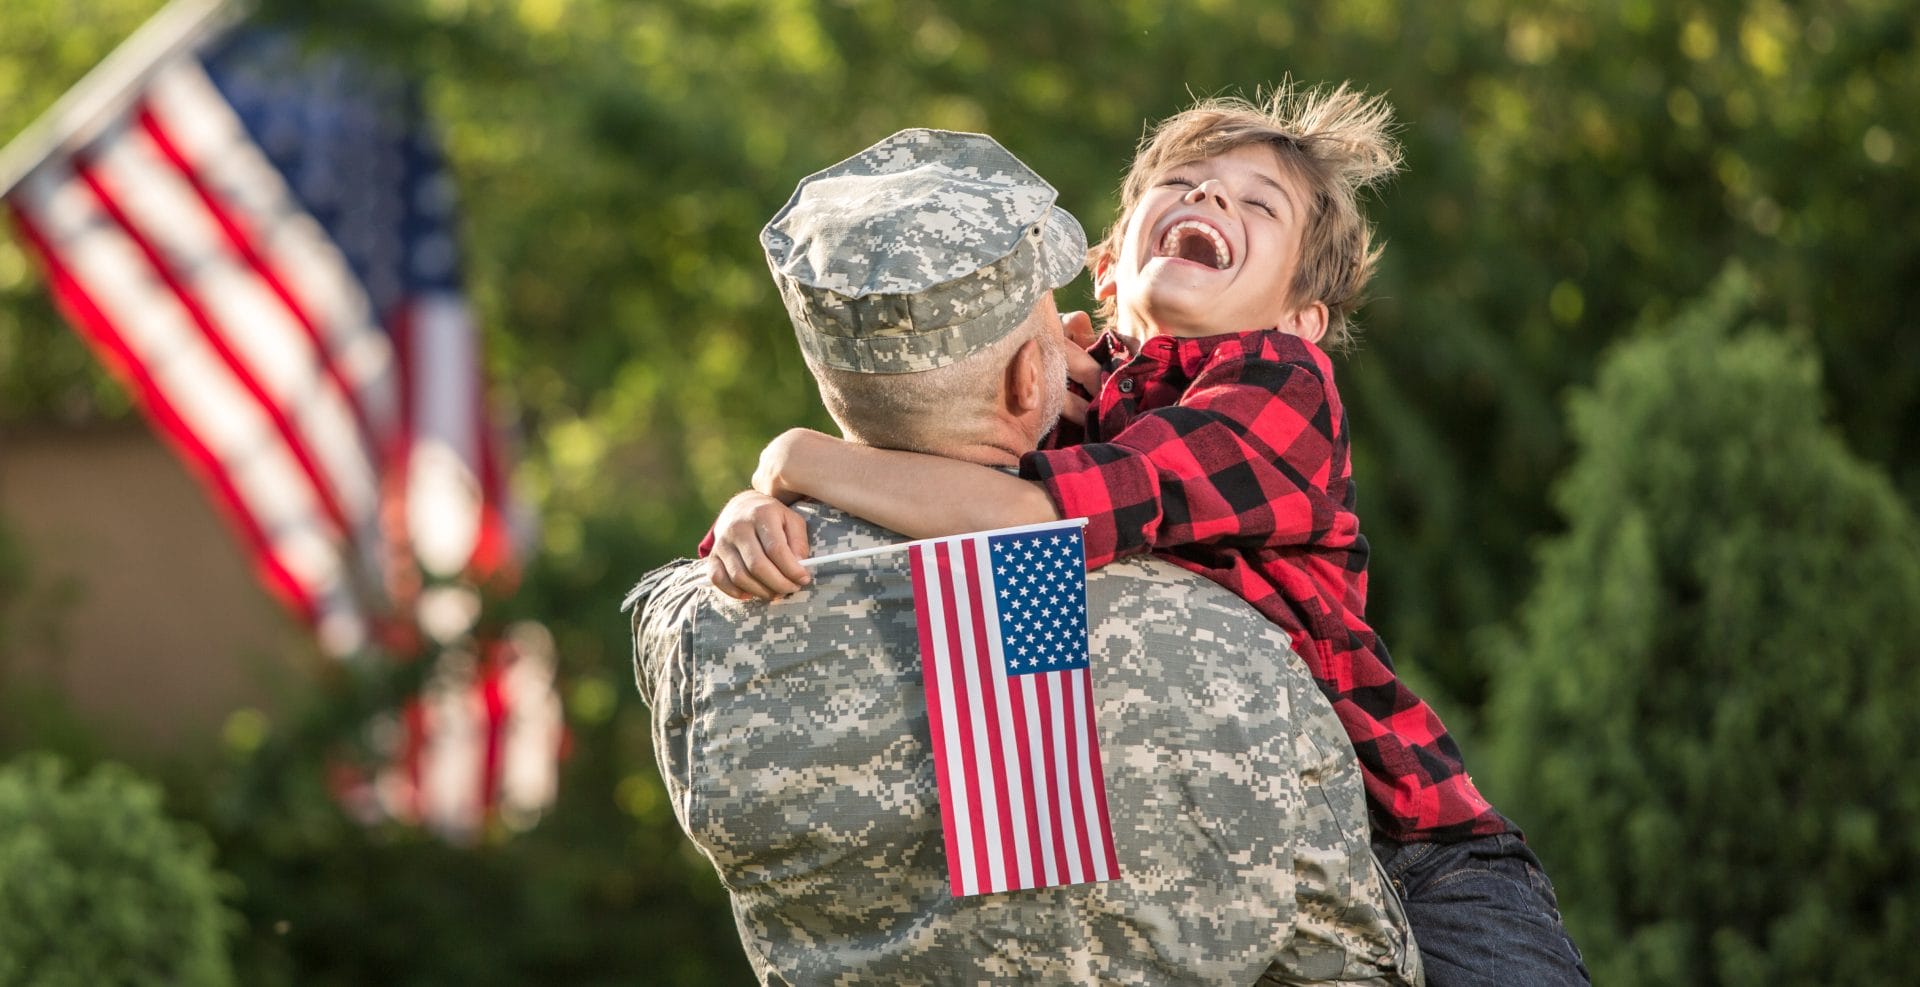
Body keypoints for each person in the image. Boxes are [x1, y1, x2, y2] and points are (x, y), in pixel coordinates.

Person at [717, 88, 1589, 986]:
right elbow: (917, 493)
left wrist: (797, 458)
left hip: (1409, 848)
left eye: (1258, 204)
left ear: (1300, 316)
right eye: (1183, 183)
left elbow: (1050, 512)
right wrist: (757, 511)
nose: (1212, 200)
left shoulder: (1281, 381)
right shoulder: (1049, 407)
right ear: (1104, 267)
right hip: (1204, 844)